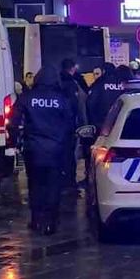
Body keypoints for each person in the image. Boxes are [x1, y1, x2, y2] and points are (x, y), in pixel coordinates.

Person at [8, 68, 79, 234]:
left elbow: (13, 122)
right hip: (56, 150)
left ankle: (36, 220)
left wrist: (15, 142)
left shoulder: (27, 97)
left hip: (33, 149)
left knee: (35, 184)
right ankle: (51, 222)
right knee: (53, 185)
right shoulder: (62, 99)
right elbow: (71, 124)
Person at [58, 58, 87, 188]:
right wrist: (83, 125)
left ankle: (61, 179)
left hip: (56, 126)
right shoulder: (74, 83)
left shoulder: (56, 83)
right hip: (71, 125)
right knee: (70, 154)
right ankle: (70, 181)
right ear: (73, 68)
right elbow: (80, 106)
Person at [86, 62, 132, 129]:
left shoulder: (100, 82)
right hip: (122, 120)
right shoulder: (123, 83)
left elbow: (91, 102)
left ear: (103, 71)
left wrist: (92, 121)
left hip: (102, 122)